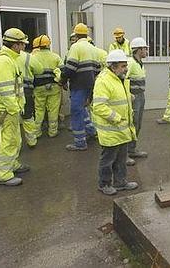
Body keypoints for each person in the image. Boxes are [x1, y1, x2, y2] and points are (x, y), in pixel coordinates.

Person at [92, 50, 139, 196]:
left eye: (125, 65)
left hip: (121, 129)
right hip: (111, 130)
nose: (126, 68)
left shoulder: (120, 78)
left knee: (121, 158)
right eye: (123, 66)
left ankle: (120, 182)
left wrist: (129, 97)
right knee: (108, 159)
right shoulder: (103, 81)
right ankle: (104, 184)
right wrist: (117, 118)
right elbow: (99, 106)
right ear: (113, 67)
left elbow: (117, 95)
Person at [0, 28, 30, 186]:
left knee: (15, 139)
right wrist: (14, 109)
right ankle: (4, 175)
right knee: (8, 141)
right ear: (16, 45)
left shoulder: (8, 58)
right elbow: (6, 91)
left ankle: (13, 164)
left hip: (9, 109)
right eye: (22, 44)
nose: (24, 47)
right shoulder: (4, 61)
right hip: (6, 110)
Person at [61, 23, 100, 151]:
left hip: (78, 85)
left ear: (76, 35)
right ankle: (91, 131)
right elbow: (97, 70)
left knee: (76, 112)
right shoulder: (93, 49)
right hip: (90, 85)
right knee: (83, 109)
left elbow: (70, 68)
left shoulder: (75, 47)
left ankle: (80, 143)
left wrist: (63, 80)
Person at [32, 35, 63, 138]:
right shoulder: (56, 56)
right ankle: (53, 132)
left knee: (39, 110)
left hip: (39, 88)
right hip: (54, 87)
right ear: (49, 45)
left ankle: (36, 132)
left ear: (38, 46)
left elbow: (29, 73)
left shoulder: (33, 57)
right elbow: (62, 72)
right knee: (53, 110)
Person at [126, 37, 149, 165]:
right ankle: (126, 153)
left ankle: (132, 149)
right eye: (145, 48)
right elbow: (122, 78)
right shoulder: (130, 62)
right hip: (133, 97)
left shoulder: (139, 63)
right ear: (139, 49)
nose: (146, 51)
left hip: (140, 96)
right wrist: (128, 94)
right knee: (131, 124)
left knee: (137, 124)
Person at [18, 44, 44, 149]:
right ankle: (32, 141)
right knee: (28, 115)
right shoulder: (28, 57)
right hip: (26, 90)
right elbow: (39, 70)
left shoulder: (1, 56)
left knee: (11, 120)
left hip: (7, 91)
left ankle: (15, 147)